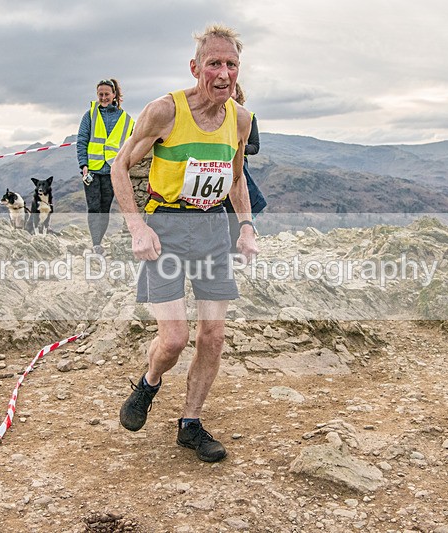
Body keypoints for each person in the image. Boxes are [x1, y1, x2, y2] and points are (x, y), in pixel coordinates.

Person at [110, 24, 258, 462]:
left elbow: (235, 178)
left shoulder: (241, 119)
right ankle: (150, 381)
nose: (224, 72)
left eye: (231, 64)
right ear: (195, 68)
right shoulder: (164, 112)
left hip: (213, 231)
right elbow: (120, 167)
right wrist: (138, 228)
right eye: (214, 63)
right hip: (167, 230)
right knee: (174, 339)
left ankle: (190, 424)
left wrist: (246, 226)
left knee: (212, 336)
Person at [77, 78, 135, 255]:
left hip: (113, 171)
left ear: (114, 95)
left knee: (105, 208)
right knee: (94, 208)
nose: (103, 97)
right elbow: (82, 141)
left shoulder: (126, 119)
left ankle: (99, 240)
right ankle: (96, 244)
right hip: (92, 171)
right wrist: (83, 165)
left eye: (106, 94)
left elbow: (133, 143)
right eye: (100, 94)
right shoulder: (90, 115)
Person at [224, 82, 267, 252]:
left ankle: (241, 242)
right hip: (216, 169)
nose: (228, 92)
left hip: (239, 167)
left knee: (238, 206)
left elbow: (255, 147)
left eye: (232, 89)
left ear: (237, 93)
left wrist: (237, 149)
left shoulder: (248, 116)